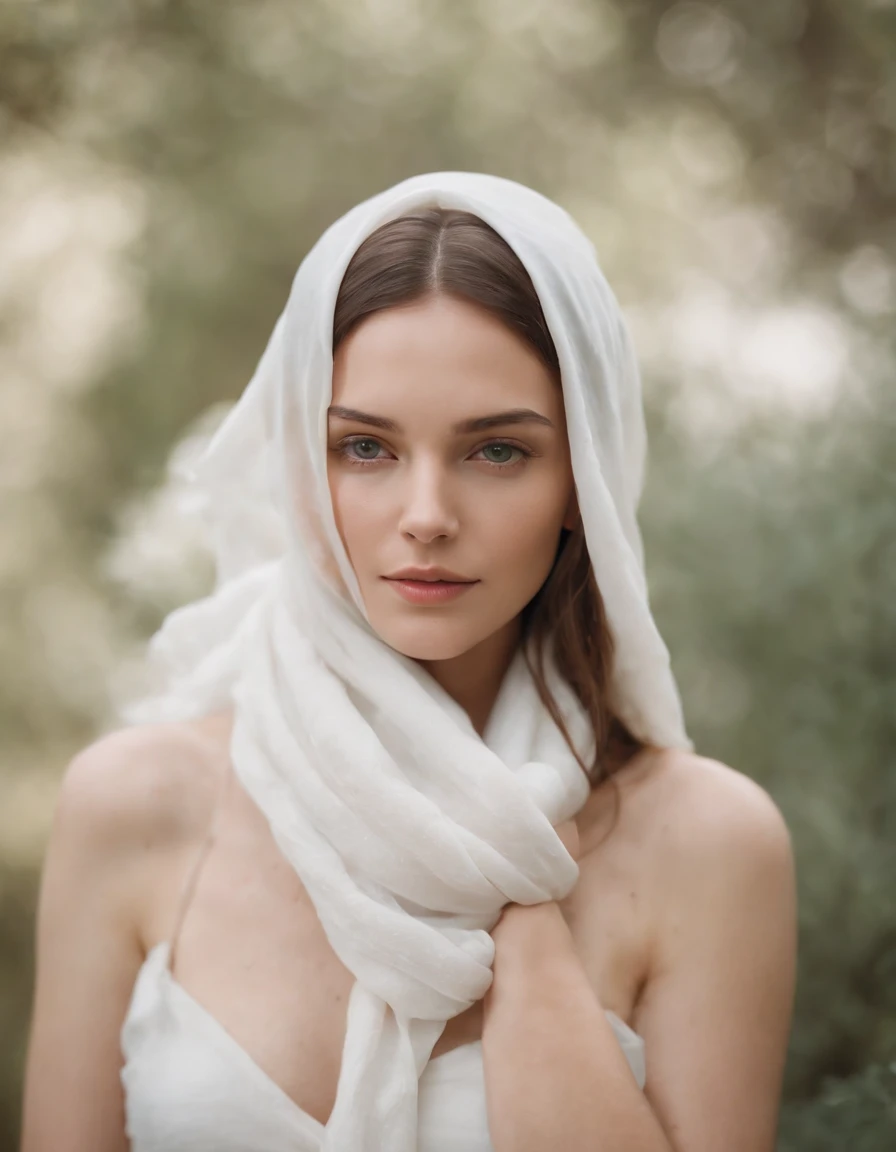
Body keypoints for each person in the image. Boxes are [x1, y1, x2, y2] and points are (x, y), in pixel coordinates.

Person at [19, 173, 797, 1152]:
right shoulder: (134, 806)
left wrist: (518, 914)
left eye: (496, 453)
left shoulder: (706, 843)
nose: (425, 515)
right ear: (303, 469)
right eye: (365, 449)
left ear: (580, 483)